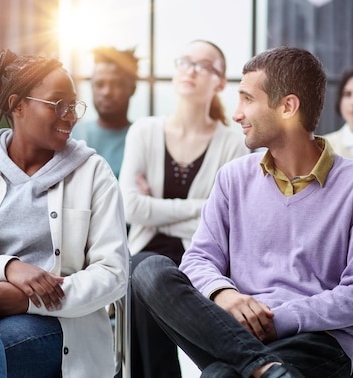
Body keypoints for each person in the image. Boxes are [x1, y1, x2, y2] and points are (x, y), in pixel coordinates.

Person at [131, 46, 353, 378]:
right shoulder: (232, 177)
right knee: (148, 269)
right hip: (235, 331)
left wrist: (277, 320)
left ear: (287, 107)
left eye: (247, 99)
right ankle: (266, 368)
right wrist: (224, 295)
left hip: (317, 341)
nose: (236, 113)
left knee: (219, 376)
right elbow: (197, 259)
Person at [0, 49, 129, 377]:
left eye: (74, 105)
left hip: (58, 324)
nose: (71, 115)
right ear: (18, 104)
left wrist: (28, 301)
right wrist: (8, 268)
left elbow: (113, 274)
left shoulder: (94, 172)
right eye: (57, 104)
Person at [119, 39, 249, 377]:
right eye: (185, 61)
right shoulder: (144, 131)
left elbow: (226, 222)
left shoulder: (233, 143)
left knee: (146, 278)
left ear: (220, 82)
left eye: (203, 65)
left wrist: (158, 208)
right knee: (142, 272)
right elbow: (131, 207)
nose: (191, 69)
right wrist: (200, 208)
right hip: (142, 255)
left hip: (201, 264)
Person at [71, 46, 139, 178]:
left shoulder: (142, 137)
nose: (106, 92)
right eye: (99, 84)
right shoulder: (72, 135)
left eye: (117, 84)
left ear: (132, 88)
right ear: (92, 87)